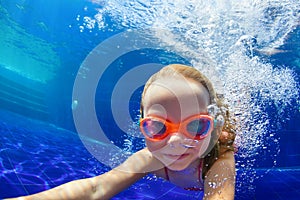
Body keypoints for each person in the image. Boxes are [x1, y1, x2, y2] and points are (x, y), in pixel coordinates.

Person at [8, 64, 236, 200]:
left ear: (211, 126)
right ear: (142, 127)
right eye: (158, 127)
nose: (176, 141)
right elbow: (96, 188)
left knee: (233, 125)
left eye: (196, 126)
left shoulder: (218, 159)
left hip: (224, 136)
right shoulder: (150, 159)